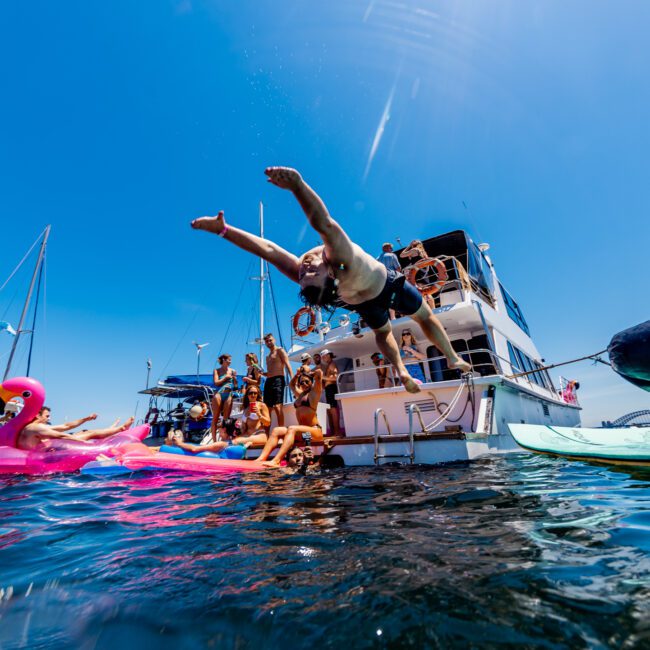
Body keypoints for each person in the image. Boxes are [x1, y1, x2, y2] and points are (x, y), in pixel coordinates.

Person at [191, 167, 471, 394]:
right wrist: (297, 186)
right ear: (332, 275)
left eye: (305, 273)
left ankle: (448, 357)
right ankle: (404, 368)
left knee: (400, 326)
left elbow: (274, 247)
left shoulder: (321, 266)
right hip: (382, 290)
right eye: (308, 273)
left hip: (373, 293)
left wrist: (225, 229)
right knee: (417, 317)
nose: (305, 269)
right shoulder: (340, 258)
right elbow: (315, 226)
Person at [256, 369, 324, 467]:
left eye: (307, 381)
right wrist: (297, 375)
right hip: (303, 433)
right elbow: (292, 385)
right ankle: (261, 458)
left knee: (292, 428)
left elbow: (319, 373)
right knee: (277, 430)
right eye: (301, 382)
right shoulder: (300, 394)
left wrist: (309, 374)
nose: (304, 384)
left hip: (314, 431)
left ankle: (276, 460)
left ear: (311, 382)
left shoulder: (314, 393)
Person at [17, 406, 135, 451]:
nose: (49, 418)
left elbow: (66, 426)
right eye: (47, 416)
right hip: (39, 453)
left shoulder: (36, 427)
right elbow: (61, 435)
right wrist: (83, 442)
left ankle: (121, 429)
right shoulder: (35, 428)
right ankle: (121, 429)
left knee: (86, 432)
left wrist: (86, 419)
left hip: (45, 449)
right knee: (87, 434)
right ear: (37, 415)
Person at [262, 332, 293, 428]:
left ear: (274, 340)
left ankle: (281, 431)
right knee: (267, 408)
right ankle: (267, 434)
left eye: (270, 340)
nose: (269, 342)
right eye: (267, 341)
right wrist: (262, 373)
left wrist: (292, 379)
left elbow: (287, 365)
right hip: (268, 381)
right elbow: (269, 372)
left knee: (278, 407)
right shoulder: (267, 357)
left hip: (278, 380)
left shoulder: (280, 350)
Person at [173, 417, 239, 455]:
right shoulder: (232, 442)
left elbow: (194, 449)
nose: (218, 429)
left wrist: (179, 443)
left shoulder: (221, 444)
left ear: (224, 429)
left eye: (219, 427)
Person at [210, 353, 237, 441]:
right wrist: (225, 378)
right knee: (215, 418)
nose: (230, 361)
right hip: (219, 394)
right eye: (229, 360)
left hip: (228, 394)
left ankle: (224, 440)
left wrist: (235, 379)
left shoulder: (233, 370)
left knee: (226, 420)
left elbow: (236, 386)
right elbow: (216, 382)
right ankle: (214, 441)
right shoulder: (216, 371)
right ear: (224, 360)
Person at [321, 349, 341, 436]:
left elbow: (336, 377)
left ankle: (337, 432)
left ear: (329, 355)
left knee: (333, 409)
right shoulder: (329, 365)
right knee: (331, 409)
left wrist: (323, 377)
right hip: (329, 389)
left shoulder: (332, 364)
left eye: (324, 356)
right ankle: (335, 431)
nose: (323, 358)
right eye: (322, 357)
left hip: (331, 388)